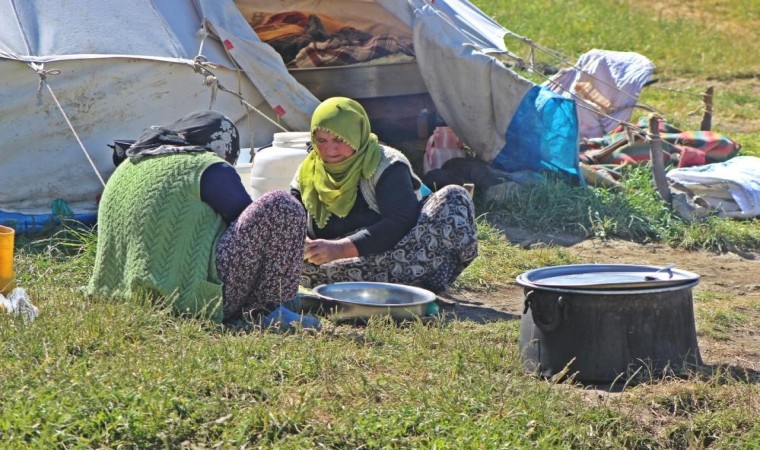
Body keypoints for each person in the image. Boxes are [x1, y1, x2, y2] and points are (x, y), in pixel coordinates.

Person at [87, 110, 319, 330]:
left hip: (123, 292)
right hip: (188, 297)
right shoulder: (206, 166)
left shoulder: (131, 162)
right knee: (282, 205)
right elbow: (252, 227)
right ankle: (269, 309)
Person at [291, 97, 478, 294]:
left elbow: (400, 221)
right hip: (334, 266)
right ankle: (382, 285)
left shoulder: (386, 165)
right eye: (321, 140)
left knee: (454, 197)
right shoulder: (306, 173)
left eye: (340, 139)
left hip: (402, 255)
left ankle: (411, 284)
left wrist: (340, 249)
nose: (330, 149)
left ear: (358, 136)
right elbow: (292, 219)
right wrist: (304, 244)